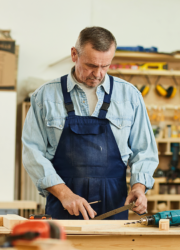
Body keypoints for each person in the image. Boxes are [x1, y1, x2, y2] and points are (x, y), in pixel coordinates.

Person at [22, 27, 158, 220]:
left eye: (105, 66)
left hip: (114, 207)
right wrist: (65, 194)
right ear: (74, 54)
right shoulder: (44, 97)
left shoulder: (130, 96)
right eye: (91, 65)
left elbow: (145, 151)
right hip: (63, 207)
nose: (98, 74)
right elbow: (32, 152)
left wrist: (139, 187)